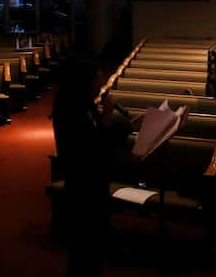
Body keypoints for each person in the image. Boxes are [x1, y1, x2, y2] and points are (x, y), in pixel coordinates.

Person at [51, 52, 139, 276]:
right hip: (82, 184)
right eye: (98, 78)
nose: (102, 82)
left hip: (93, 181)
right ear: (84, 81)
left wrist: (130, 125)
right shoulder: (70, 109)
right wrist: (109, 114)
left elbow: (100, 132)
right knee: (84, 250)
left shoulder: (83, 104)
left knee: (92, 249)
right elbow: (92, 144)